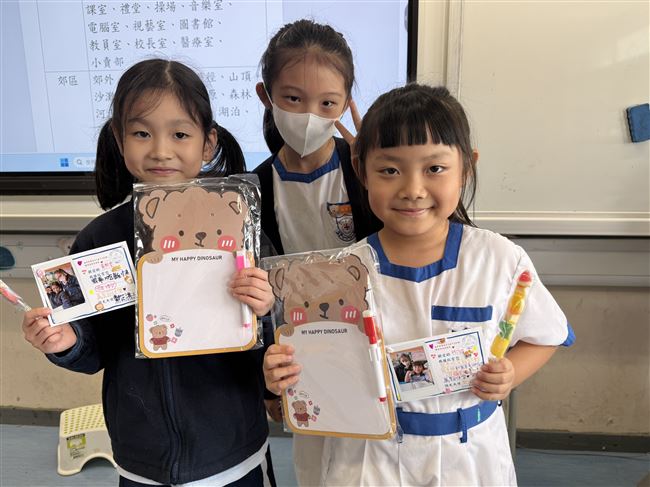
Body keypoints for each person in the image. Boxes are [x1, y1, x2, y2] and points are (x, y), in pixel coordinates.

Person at [263, 83, 575, 485]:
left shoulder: (499, 259)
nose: (412, 190)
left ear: (467, 167)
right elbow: (317, 367)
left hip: (470, 456)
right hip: (367, 459)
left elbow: (545, 336)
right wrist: (285, 372)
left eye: (434, 169)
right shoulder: (338, 274)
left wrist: (510, 373)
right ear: (361, 169)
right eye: (390, 170)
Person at [22, 59, 278, 487]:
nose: (160, 150)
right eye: (142, 133)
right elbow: (93, 350)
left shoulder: (240, 228)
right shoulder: (100, 239)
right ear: (119, 139)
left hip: (234, 452)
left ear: (208, 143)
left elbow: (270, 343)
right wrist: (67, 342)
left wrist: (265, 309)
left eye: (180, 134)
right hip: (142, 458)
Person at [253, 19, 382, 256]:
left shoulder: (363, 169)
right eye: (293, 99)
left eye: (327, 103)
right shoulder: (255, 190)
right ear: (265, 96)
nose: (310, 115)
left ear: (346, 104)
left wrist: (380, 173)